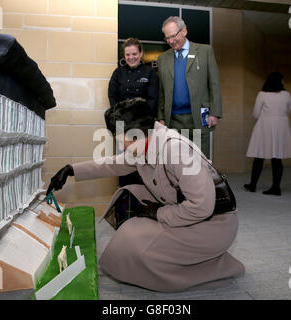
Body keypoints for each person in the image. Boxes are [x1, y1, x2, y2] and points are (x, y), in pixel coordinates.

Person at [46, 98, 245, 292]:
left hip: (214, 225)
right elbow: (113, 163)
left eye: (124, 142)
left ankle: (216, 265)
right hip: (186, 214)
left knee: (138, 249)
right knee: (129, 234)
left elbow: (202, 206)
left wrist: (158, 214)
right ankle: (192, 256)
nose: (123, 148)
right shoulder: (144, 143)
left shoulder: (177, 150)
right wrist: (71, 170)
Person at [157, 16, 222, 159]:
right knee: (175, 162)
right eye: (167, 38)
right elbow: (161, 91)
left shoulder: (205, 51)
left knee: (199, 163)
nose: (171, 41)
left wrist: (215, 113)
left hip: (198, 118)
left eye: (173, 36)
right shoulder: (163, 58)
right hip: (173, 120)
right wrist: (161, 117)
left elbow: (214, 84)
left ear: (184, 31)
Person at [108, 38, 158, 189]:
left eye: (134, 54)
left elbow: (152, 100)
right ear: (124, 55)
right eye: (128, 54)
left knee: (142, 165)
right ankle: (123, 208)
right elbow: (112, 98)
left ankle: (142, 205)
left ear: (141, 53)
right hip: (122, 128)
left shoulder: (150, 73)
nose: (131, 57)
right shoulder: (118, 73)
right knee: (124, 165)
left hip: (143, 128)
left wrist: (138, 123)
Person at [244, 72, 291, 195]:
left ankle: (253, 184)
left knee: (258, 156)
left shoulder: (262, 94)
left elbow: (256, 113)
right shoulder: (286, 94)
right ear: (280, 81)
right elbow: (288, 111)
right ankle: (276, 187)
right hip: (281, 126)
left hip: (264, 125)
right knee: (276, 157)